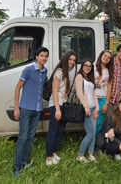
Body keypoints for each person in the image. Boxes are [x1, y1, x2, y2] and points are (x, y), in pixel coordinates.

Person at [13, 47, 49, 175]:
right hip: (26, 109)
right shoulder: (28, 70)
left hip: (37, 110)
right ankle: (16, 166)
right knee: (22, 138)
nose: (44, 58)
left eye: (46, 56)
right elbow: (17, 88)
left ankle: (25, 162)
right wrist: (17, 108)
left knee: (30, 137)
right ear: (37, 57)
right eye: (42, 55)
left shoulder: (45, 72)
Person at [46, 51, 77, 166]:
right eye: (70, 59)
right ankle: (48, 158)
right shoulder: (59, 72)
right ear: (65, 59)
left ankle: (54, 153)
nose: (72, 62)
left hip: (63, 102)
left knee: (60, 130)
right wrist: (57, 109)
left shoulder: (66, 72)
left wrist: (67, 93)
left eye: (74, 60)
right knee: (53, 130)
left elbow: (63, 88)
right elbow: (54, 90)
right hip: (56, 104)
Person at [75, 59, 99, 162]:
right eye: (85, 65)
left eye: (90, 66)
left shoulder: (89, 78)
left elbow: (94, 94)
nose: (87, 67)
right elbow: (79, 93)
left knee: (93, 133)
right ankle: (80, 155)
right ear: (82, 66)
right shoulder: (79, 76)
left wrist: (97, 108)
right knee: (90, 134)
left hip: (93, 107)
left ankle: (90, 154)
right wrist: (86, 107)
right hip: (87, 108)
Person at [94, 50, 114, 135]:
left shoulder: (108, 70)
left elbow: (109, 88)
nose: (106, 58)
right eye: (105, 56)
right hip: (93, 98)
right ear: (101, 55)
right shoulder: (93, 68)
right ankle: (91, 143)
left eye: (109, 58)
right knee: (92, 121)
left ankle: (97, 144)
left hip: (103, 98)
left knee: (99, 122)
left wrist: (106, 103)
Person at [107, 44, 121, 115]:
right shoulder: (110, 63)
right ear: (117, 52)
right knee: (107, 118)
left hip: (117, 99)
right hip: (108, 98)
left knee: (114, 119)